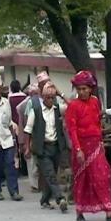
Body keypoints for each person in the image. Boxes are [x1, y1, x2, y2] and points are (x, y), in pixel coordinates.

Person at [65, 70, 111, 221]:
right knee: (82, 179)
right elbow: (72, 129)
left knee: (102, 176)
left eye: (85, 89)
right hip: (81, 147)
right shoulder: (73, 106)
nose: (82, 92)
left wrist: (101, 141)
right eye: (79, 89)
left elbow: (97, 122)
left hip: (96, 146)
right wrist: (78, 150)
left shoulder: (95, 101)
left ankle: (109, 211)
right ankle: (79, 210)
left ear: (90, 88)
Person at [24, 81, 68, 212]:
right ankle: (60, 199)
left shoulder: (58, 108)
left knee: (52, 174)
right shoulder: (35, 111)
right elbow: (28, 130)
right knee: (50, 174)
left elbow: (72, 105)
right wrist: (27, 147)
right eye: (48, 97)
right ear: (42, 98)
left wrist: (61, 94)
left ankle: (44, 199)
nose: (50, 100)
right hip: (42, 148)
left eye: (52, 97)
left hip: (55, 146)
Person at [16, 83, 40, 192]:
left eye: (36, 94)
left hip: (40, 137)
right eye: (32, 94)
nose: (34, 96)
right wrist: (22, 143)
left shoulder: (43, 103)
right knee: (31, 162)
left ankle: (40, 183)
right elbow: (22, 125)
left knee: (39, 163)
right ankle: (34, 184)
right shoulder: (23, 106)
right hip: (29, 137)